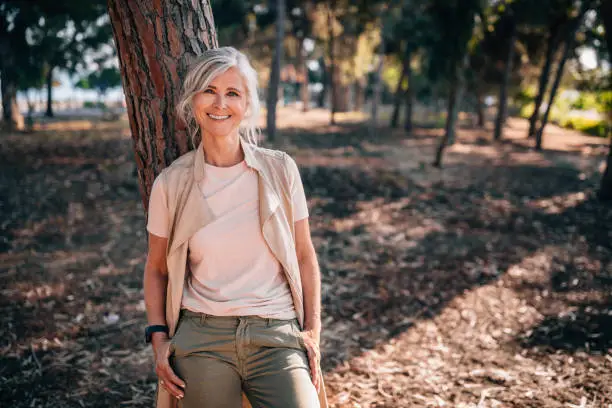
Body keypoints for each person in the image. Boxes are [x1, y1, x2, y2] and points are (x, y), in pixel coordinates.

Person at [143, 46, 328, 408]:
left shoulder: (280, 170)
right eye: (209, 90)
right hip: (202, 335)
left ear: (247, 104)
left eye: (232, 93)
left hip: (276, 331)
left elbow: (305, 256)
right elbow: (156, 268)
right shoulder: (171, 184)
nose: (220, 103)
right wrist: (159, 340)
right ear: (193, 100)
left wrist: (312, 332)